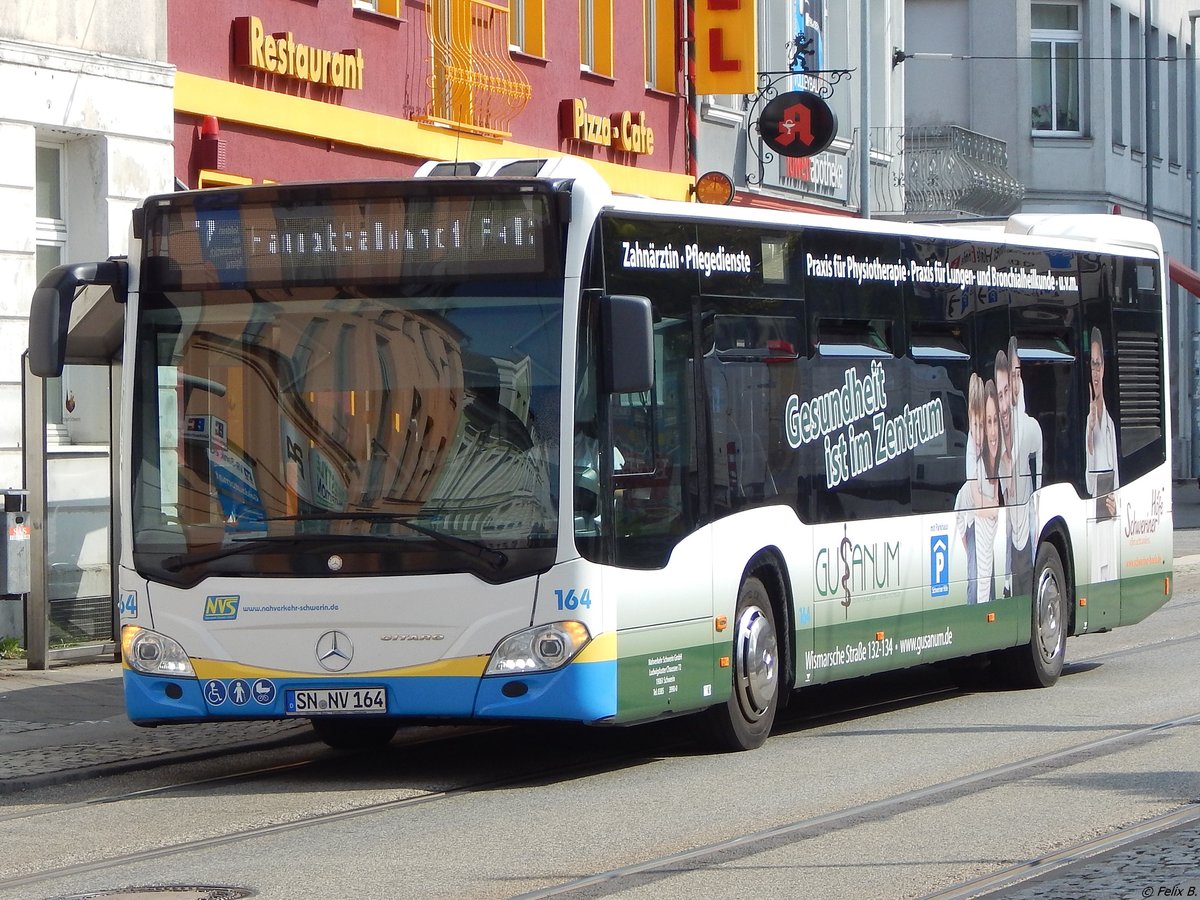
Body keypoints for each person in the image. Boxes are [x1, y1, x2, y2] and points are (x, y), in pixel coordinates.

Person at [1003, 337, 1043, 599]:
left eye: (1019, 373)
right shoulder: (998, 420)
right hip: (1005, 516)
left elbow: (1038, 480)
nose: (1015, 380)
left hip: (1026, 516)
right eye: (1011, 373)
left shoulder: (1030, 425)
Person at [1086, 326, 1119, 583]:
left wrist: (1115, 504)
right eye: (1092, 365)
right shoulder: (1087, 422)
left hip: (1109, 524)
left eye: (1098, 364)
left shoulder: (1109, 424)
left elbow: (1116, 481)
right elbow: (1086, 482)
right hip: (1089, 524)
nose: (1095, 372)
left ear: (1104, 367)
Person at [973, 379, 1004, 604]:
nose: (992, 431)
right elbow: (976, 505)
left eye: (995, 422)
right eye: (987, 423)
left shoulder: (1005, 466)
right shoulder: (977, 467)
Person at [954, 373, 984, 603]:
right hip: (970, 520)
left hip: (976, 520)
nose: (979, 432)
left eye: (982, 424)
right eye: (975, 424)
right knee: (974, 574)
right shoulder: (971, 453)